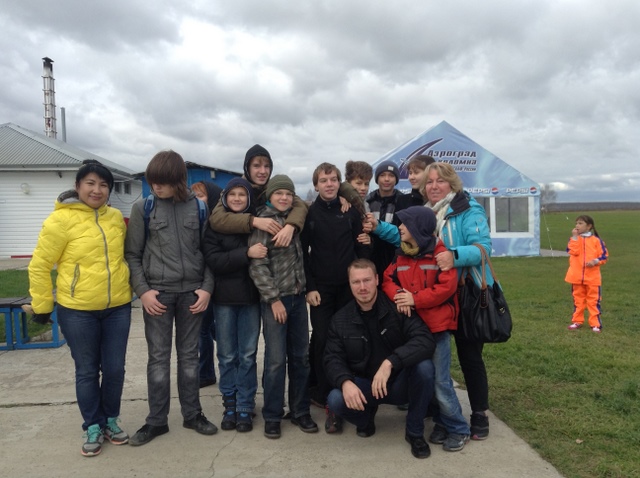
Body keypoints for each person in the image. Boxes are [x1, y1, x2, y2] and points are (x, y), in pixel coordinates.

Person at [28, 159, 132, 457]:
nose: (97, 190)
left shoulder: (115, 218)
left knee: (114, 369)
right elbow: (39, 265)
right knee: (87, 370)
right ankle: (93, 425)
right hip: (77, 310)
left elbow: (125, 256)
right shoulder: (59, 221)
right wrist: (42, 305)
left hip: (117, 307)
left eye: (103, 185)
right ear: (77, 186)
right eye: (90, 183)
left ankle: (110, 420)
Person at [125, 150, 217, 446]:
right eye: (152, 182)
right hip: (158, 296)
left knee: (190, 358)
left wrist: (206, 288)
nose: (156, 187)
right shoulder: (143, 208)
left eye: (162, 182)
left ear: (178, 180)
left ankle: (192, 415)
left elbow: (209, 252)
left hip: (192, 295)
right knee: (158, 359)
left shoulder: (199, 208)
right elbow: (133, 254)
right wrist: (143, 291)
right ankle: (156, 421)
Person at [323, 259, 436, 459]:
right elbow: (332, 359)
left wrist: (390, 362)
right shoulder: (340, 319)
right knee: (335, 399)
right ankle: (365, 419)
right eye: (356, 282)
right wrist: (345, 382)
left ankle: (415, 432)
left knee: (424, 368)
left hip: (400, 383)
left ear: (377, 279)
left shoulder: (397, 308)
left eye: (367, 280)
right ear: (350, 284)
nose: (362, 287)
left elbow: (425, 340)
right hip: (367, 386)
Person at [382, 206, 470, 452]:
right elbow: (387, 279)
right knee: (427, 379)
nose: (400, 228)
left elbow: (446, 288)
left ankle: (458, 428)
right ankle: (441, 422)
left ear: (418, 227)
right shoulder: (402, 254)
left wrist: (414, 300)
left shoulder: (440, 255)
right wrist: (400, 295)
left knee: (441, 382)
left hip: (436, 329)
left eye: (404, 224)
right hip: (413, 330)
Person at [420, 161, 492, 441]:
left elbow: (483, 248)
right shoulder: (425, 213)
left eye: (440, 181)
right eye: (429, 181)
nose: (434, 186)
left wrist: (454, 256)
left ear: (452, 183)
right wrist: (378, 227)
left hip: (467, 293)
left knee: (470, 357)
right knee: (437, 359)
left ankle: (479, 413)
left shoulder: (468, 209)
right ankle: (444, 417)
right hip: (438, 294)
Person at [248, 175, 318, 439]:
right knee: (276, 361)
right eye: (279, 193)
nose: (284, 198)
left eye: (288, 194)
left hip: (298, 298)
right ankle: (272, 415)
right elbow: (258, 266)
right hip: (275, 301)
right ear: (270, 196)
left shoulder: (294, 221)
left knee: (300, 358)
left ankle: (300, 411)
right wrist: (273, 299)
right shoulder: (264, 223)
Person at [301, 163, 370, 413]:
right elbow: (303, 254)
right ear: (316, 185)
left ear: (340, 184)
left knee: (347, 339)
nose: (329, 184)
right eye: (323, 180)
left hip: (348, 289)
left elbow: (362, 247)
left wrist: (362, 281)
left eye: (333, 179)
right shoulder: (310, 214)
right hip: (321, 289)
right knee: (321, 339)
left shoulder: (350, 211)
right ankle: (321, 391)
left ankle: (346, 386)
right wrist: (310, 287)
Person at [203, 178, 267, 432]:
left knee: (248, 355)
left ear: (249, 198)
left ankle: (245, 405)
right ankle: (229, 404)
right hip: (224, 300)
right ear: (225, 198)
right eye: (233, 194)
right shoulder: (216, 225)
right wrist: (246, 254)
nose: (237, 198)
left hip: (251, 299)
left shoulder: (257, 223)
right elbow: (214, 260)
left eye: (242, 194)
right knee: (227, 355)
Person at [209, 144, 307, 248]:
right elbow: (216, 219)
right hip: (239, 250)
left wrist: (291, 225)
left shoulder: (274, 188)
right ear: (247, 168)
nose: (263, 171)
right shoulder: (234, 189)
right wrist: (253, 221)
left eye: (267, 166)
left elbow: (300, 205)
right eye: (256, 166)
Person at [191, 180, 223, 388]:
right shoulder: (195, 219)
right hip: (200, 281)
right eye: (193, 196)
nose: (196, 200)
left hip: (216, 283)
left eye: (201, 196)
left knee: (206, 328)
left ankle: (207, 373)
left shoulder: (218, 221)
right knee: (206, 327)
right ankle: (206, 372)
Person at [565, 215, 608, 333]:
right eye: (576, 223)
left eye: (580, 223)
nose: (577, 226)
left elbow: (604, 256)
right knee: (578, 301)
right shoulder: (573, 239)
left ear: (589, 226)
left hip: (592, 278)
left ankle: (595, 324)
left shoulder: (596, 241)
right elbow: (572, 251)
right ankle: (577, 321)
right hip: (576, 277)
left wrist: (595, 261)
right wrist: (575, 237)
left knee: (593, 301)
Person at [364, 160, 404, 278]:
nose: (387, 179)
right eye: (382, 175)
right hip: (371, 258)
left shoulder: (403, 202)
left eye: (391, 175)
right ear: (377, 179)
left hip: (395, 258)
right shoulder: (368, 201)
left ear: (396, 179)